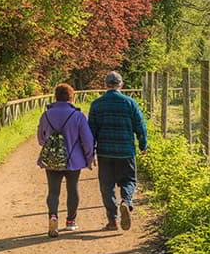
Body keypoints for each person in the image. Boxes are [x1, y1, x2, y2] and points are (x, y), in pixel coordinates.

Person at [88, 71, 147, 231]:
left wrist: (90, 152)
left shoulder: (97, 104)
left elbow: (91, 131)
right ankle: (126, 201)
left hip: (105, 152)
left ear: (105, 85)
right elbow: (140, 126)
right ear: (121, 84)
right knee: (129, 180)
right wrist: (143, 145)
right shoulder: (130, 103)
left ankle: (112, 220)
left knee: (106, 186)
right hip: (126, 151)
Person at [37, 83, 95, 238]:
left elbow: (41, 138)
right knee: (73, 189)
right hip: (73, 160)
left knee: (53, 191)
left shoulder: (46, 115)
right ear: (71, 97)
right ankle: (70, 221)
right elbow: (87, 140)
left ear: (55, 97)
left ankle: (53, 216)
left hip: (52, 159)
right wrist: (89, 157)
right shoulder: (78, 115)